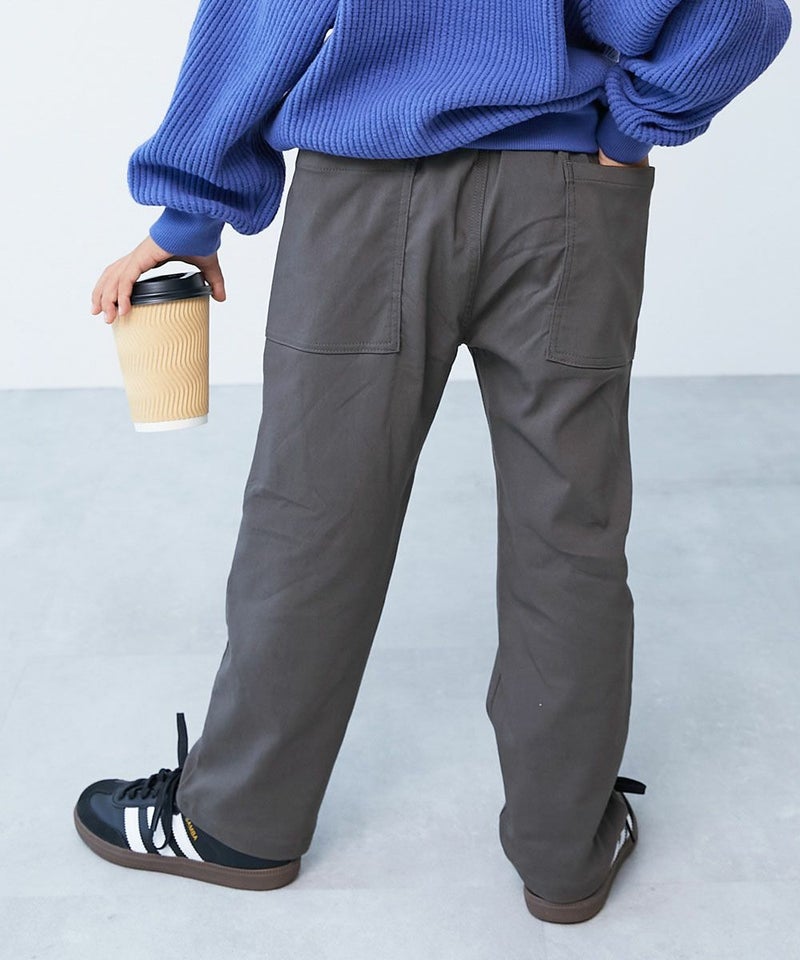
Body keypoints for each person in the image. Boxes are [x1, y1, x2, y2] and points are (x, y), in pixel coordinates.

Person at [78, 0, 791, 924]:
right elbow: (738, 15)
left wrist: (188, 213)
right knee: (567, 529)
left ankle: (239, 823)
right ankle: (566, 849)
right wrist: (625, 133)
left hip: (363, 198)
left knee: (312, 511)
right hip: (568, 192)